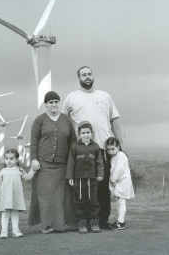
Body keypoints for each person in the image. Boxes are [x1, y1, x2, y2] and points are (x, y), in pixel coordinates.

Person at [62, 66, 125, 229]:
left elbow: (114, 122)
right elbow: (64, 125)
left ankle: (102, 221)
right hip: (81, 151)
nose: (87, 77)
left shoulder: (105, 96)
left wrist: (121, 146)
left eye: (89, 74)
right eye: (84, 75)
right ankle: (83, 220)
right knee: (83, 189)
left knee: (103, 188)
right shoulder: (71, 98)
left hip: (104, 149)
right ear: (78, 78)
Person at [28, 91, 77, 233]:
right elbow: (34, 141)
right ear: (46, 104)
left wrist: (72, 163)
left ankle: (60, 225)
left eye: (56, 102)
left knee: (61, 195)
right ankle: (46, 225)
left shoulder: (66, 120)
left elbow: (73, 142)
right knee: (45, 195)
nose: (54, 104)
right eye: (51, 102)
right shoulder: (39, 120)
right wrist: (34, 159)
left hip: (63, 164)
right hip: (43, 164)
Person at [66, 121, 104, 234]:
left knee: (93, 200)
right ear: (79, 134)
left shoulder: (95, 146)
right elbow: (71, 163)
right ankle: (81, 222)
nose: (86, 135)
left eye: (88, 132)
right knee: (79, 200)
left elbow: (99, 162)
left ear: (91, 133)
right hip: (79, 179)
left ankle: (93, 221)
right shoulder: (75, 146)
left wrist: (100, 174)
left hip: (92, 179)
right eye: (83, 133)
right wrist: (70, 177)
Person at [0, 149, 37, 239]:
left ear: (17, 160)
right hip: (5, 196)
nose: (8, 161)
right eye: (6, 158)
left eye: (11, 158)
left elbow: (27, 177)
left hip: (16, 196)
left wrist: (33, 170)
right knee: (5, 214)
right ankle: (4, 231)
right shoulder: (3, 171)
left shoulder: (19, 170)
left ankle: (15, 230)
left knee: (15, 213)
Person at [106, 137, 135, 230]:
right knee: (119, 201)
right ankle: (120, 220)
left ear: (118, 147)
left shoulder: (121, 155)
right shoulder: (115, 157)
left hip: (122, 182)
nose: (110, 151)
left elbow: (119, 169)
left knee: (122, 201)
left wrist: (113, 180)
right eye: (108, 149)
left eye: (113, 149)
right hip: (119, 182)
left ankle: (121, 222)